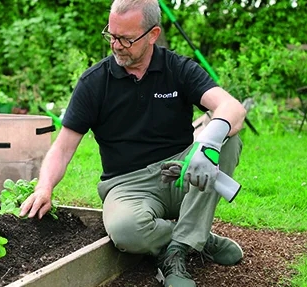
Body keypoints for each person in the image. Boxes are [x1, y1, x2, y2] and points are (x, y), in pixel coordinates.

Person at [17, 0, 247, 286]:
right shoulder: (94, 82)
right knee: (126, 232)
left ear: (152, 34)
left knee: (228, 136)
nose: (116, 45)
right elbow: (63, 147)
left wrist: (208, 143)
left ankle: (178, 250)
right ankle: (196, 236)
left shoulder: (177, 68)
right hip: (127, 184)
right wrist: (44, 187)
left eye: (126, 38)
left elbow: (232, 108)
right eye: (111, 35)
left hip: (179, 173)